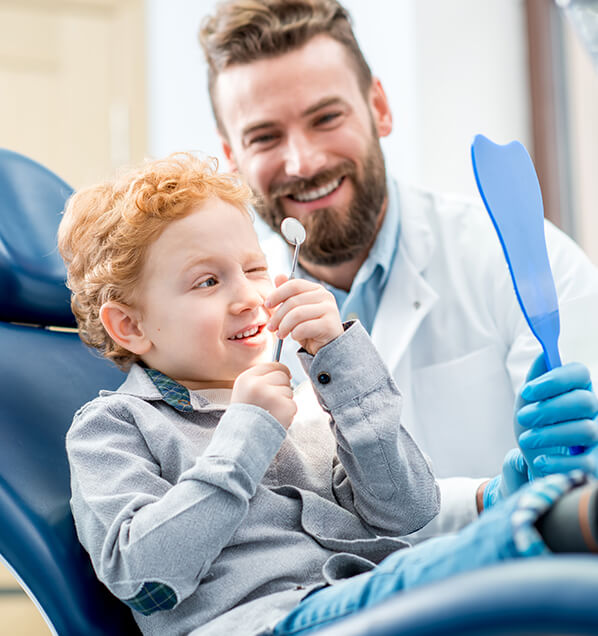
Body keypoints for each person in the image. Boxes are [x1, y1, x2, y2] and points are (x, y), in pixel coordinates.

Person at [59, 152, 598, 636]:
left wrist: (340, 362)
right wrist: (245, 436)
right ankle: (553, 527)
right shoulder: (113, 427)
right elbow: (144, 576)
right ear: (129, 326)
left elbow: (407, 510)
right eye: (207, 282)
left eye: (252, 269)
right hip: (273, 622)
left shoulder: (298, 410)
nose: (249, 296)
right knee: (478, 566)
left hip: (361, 603)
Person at [198, 0, 598, 533]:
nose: (303, 162)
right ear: (232, 156)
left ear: (379, 108)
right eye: (265, 137)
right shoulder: (227, 331)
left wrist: (575, 467)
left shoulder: (520, 261)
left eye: (326, 118)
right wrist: (486, 496)